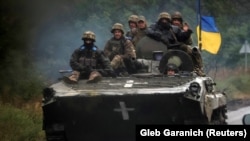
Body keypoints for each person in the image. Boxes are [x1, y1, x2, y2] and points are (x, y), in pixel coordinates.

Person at [146, 12, 205, 76]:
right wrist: (158, 35)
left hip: (173, 48)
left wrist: (187, 32)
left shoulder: (174, 29)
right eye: (163, 20)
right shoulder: (155, 27)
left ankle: (197, 69)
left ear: (169, 21)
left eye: (166, 20)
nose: (164, 21)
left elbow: (182, 37)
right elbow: (148, 31)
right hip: (159, 49)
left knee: (189, 49)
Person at [171, 11, 204, 76]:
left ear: (181, 22)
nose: (176, 22)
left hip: (183, 50)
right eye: (174, 20)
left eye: (178, 20)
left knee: (195, 50)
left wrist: (186, 33)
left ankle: (198, 68)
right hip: (171, 49)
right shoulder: (168, 29)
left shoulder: (183, 30)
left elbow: (189, 42)